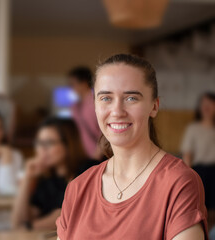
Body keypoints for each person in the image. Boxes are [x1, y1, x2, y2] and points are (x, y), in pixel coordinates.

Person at [56, 54, 208, 240]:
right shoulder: (77, 188)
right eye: (105, 98)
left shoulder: (179, 183)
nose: (117, 111)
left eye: (131, 98)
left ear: (154, 106)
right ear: (95, 105)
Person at [12, 117, 98, 231]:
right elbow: (18, 221)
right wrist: (27, 177)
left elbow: (66, 214)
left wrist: (29, 227)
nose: (41, 149)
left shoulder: (90, 170)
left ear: (68, 144)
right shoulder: (47, 178)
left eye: (48, 143)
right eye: (39, 142)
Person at [181, 92, 215, 228]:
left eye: (210, 103)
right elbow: (187, 154)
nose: (206, 107)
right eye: (203, 104)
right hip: (199, 172)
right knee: (200, 209)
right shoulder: (193, 128)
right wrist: (187, 178)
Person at [68, 66, 102, 160]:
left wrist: (97, 154)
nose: (71, 88)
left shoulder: (96, 103)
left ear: (84, 83)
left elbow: (104, 132)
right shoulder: (75, 106)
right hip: (83, 155)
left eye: (72, 84)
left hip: (97, 156)